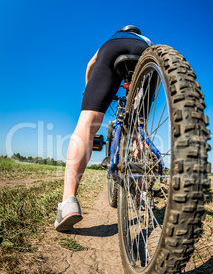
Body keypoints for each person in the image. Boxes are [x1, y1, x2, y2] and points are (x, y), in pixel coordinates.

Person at [54, 25, 152, 232]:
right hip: (148, 55)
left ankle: (68, 202)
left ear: (124, 30)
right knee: (137, 129)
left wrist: (89, 90)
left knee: (87, 123)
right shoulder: (146, 40)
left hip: (111, 52)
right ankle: (142, 195)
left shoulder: (113, 38)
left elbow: (91, 63)